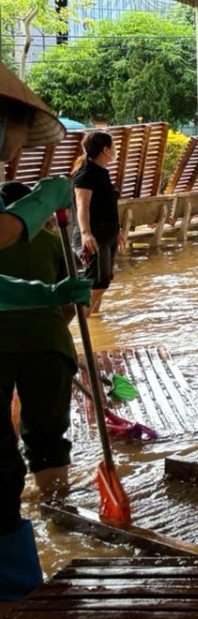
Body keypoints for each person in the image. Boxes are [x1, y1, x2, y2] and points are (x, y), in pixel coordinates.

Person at [0, 63, 92, 602]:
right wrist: (49, 300)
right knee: (36, 443)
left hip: (31, 342)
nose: (13, 154)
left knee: (6, 465)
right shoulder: (31, 225)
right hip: (47, 347)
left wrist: (37, 295)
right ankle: (56, 512)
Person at [70, 131, 124, 314]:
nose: (115, 150)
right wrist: (86, 233)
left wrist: (116, 230)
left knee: (103, 281)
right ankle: (79, 323)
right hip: (93, 235)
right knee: (98, 282)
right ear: (105, 150)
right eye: (114, 147)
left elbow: (106, 206)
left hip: (107, 234)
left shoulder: (102, 173)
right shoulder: (86, 174)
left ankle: (93, 326)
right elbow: (81, 205)